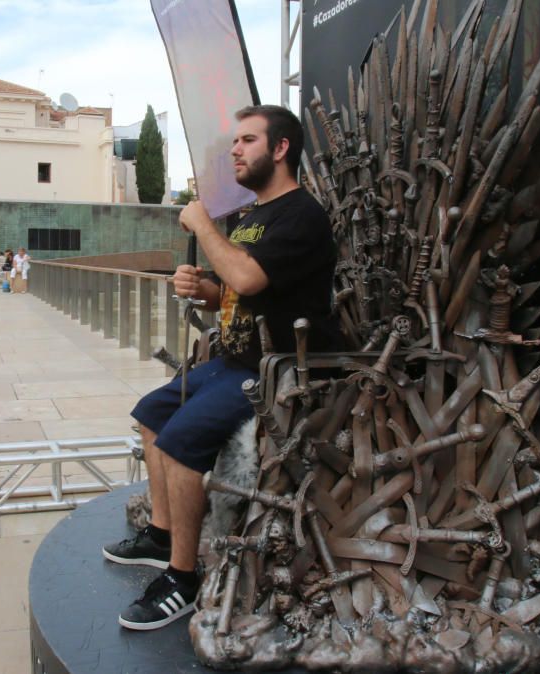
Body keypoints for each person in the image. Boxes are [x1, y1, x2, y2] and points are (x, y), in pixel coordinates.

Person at [102, 105, 341, 631]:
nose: (235, 150)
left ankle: (182, 579)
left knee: (180, 443)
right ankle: (162, 533)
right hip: (235, 358)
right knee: (150, 415)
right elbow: (232, 290)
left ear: (280, 149)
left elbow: (250, 277)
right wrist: (202, 289)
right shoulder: (254, 217)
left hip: (279, 368)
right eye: (236, 140)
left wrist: (203, 225)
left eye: (248, 140)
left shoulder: (302, 215)